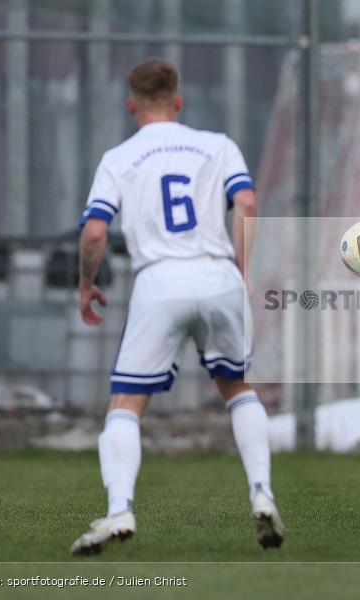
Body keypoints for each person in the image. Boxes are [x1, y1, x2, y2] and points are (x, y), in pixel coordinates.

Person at [70, 58, 283, 555]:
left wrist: (86, 283)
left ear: (131, 105)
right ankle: (262, 494)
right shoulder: (218, 145)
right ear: (178, 101)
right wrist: (243, 269)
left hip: (160, 280)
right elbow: (247, 204)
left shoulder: (120, 157)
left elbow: (95, 230)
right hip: (218, 274)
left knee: (126, 404)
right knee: (238, 389)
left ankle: (120, 509)